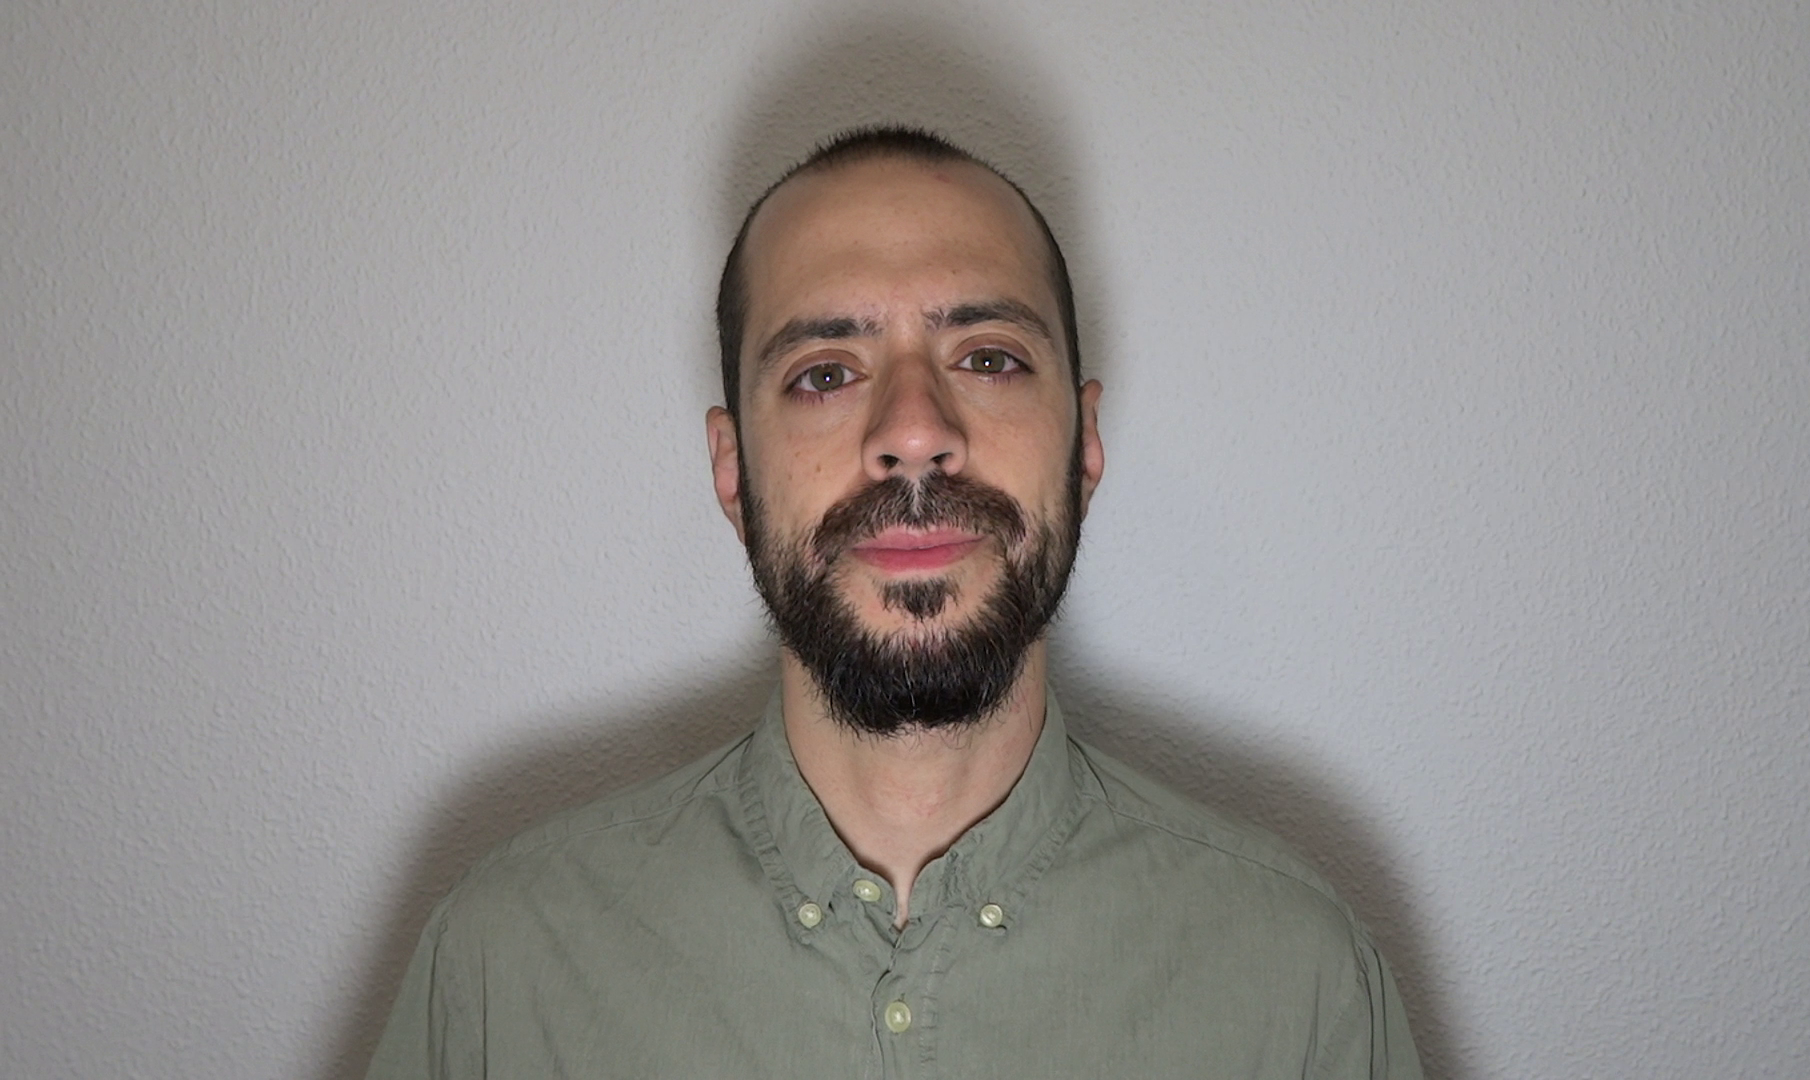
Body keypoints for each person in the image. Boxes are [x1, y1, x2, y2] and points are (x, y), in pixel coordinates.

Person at [366, 126, 1422, 1079]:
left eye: (989, 359)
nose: (915, 430)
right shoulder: (501, 970)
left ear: (1084, 444)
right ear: (733, 470)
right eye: (825, 373)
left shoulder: (1302, 979)